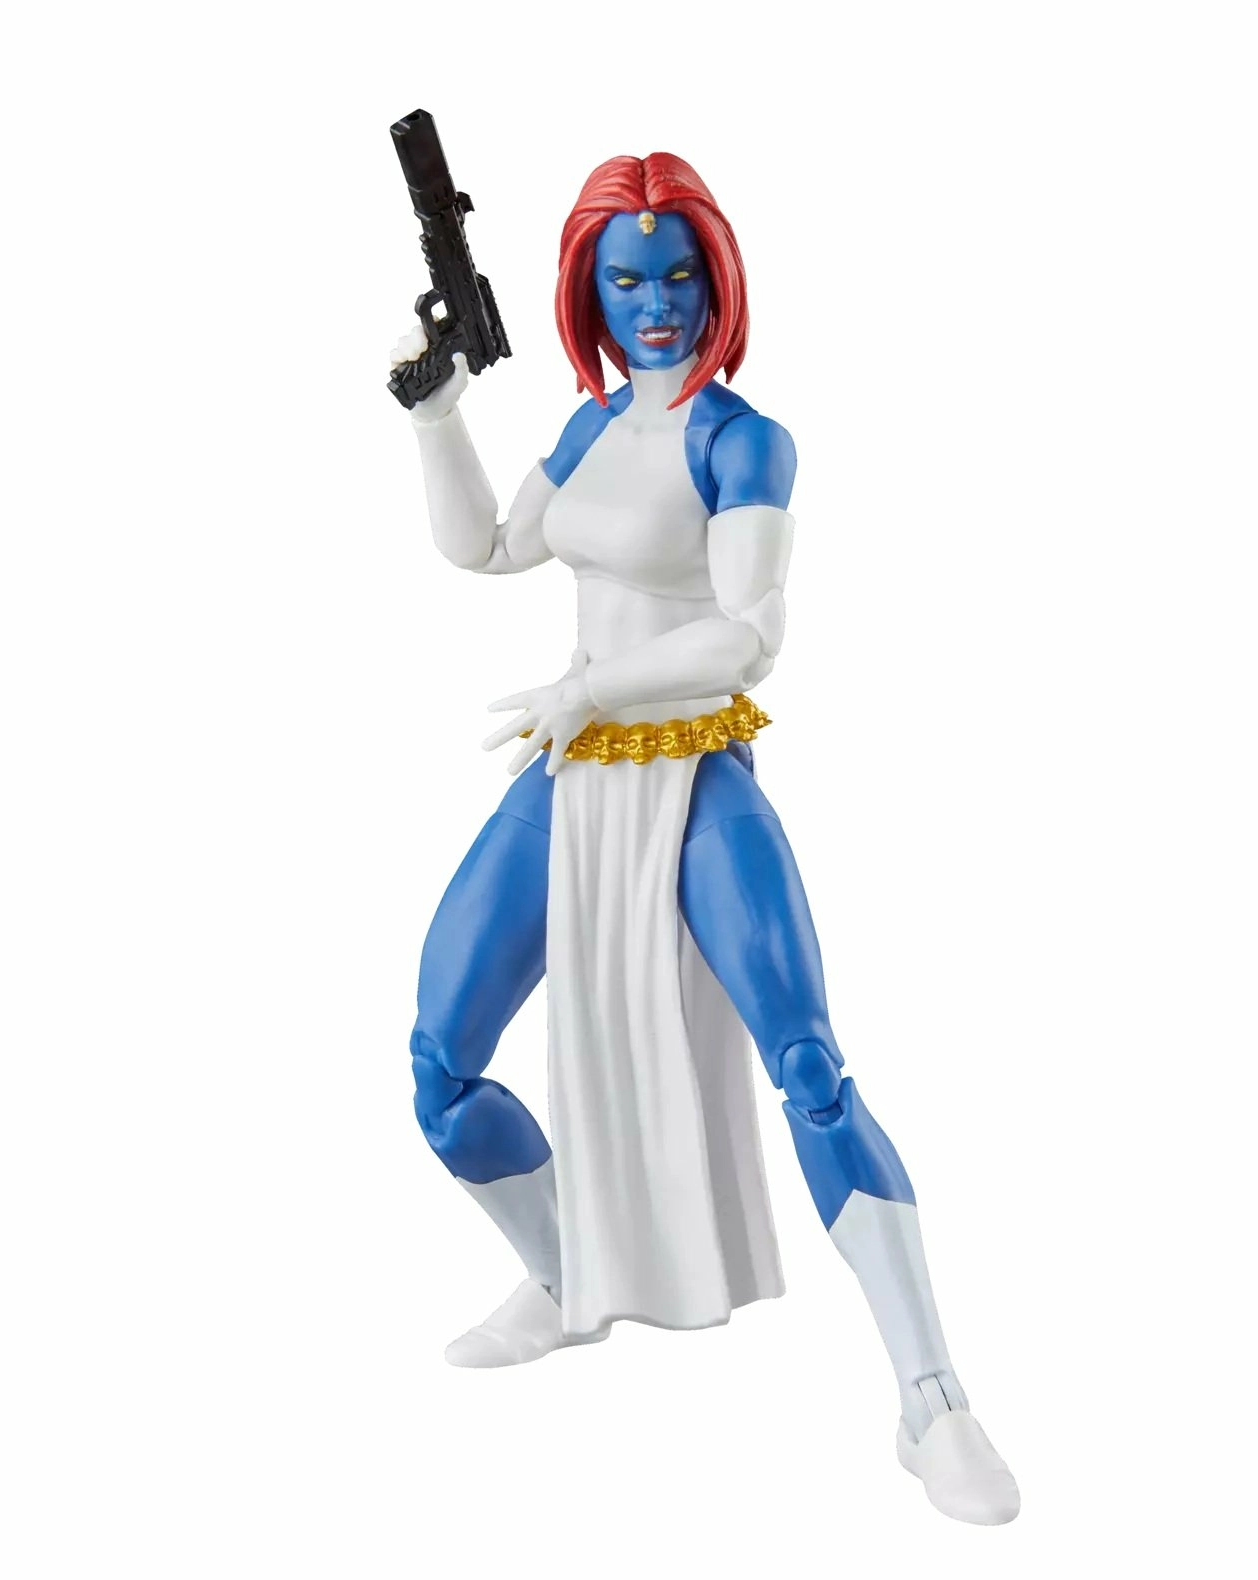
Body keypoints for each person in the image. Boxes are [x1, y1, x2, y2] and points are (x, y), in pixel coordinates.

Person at [391, 150, 1019, 1525]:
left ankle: (931, 1397)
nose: (657, 303)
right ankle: (567, 1272)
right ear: (589, 293)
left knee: (810, 1066)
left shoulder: (744, 440)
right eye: (628, 281)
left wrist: (594, 689)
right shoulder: (587, 430)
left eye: (679, 275)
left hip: (689, 771)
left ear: (717, 279)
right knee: (441, 1065)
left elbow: (748, 636)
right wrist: (435, 421)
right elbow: (489, 549)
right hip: (570, 772)